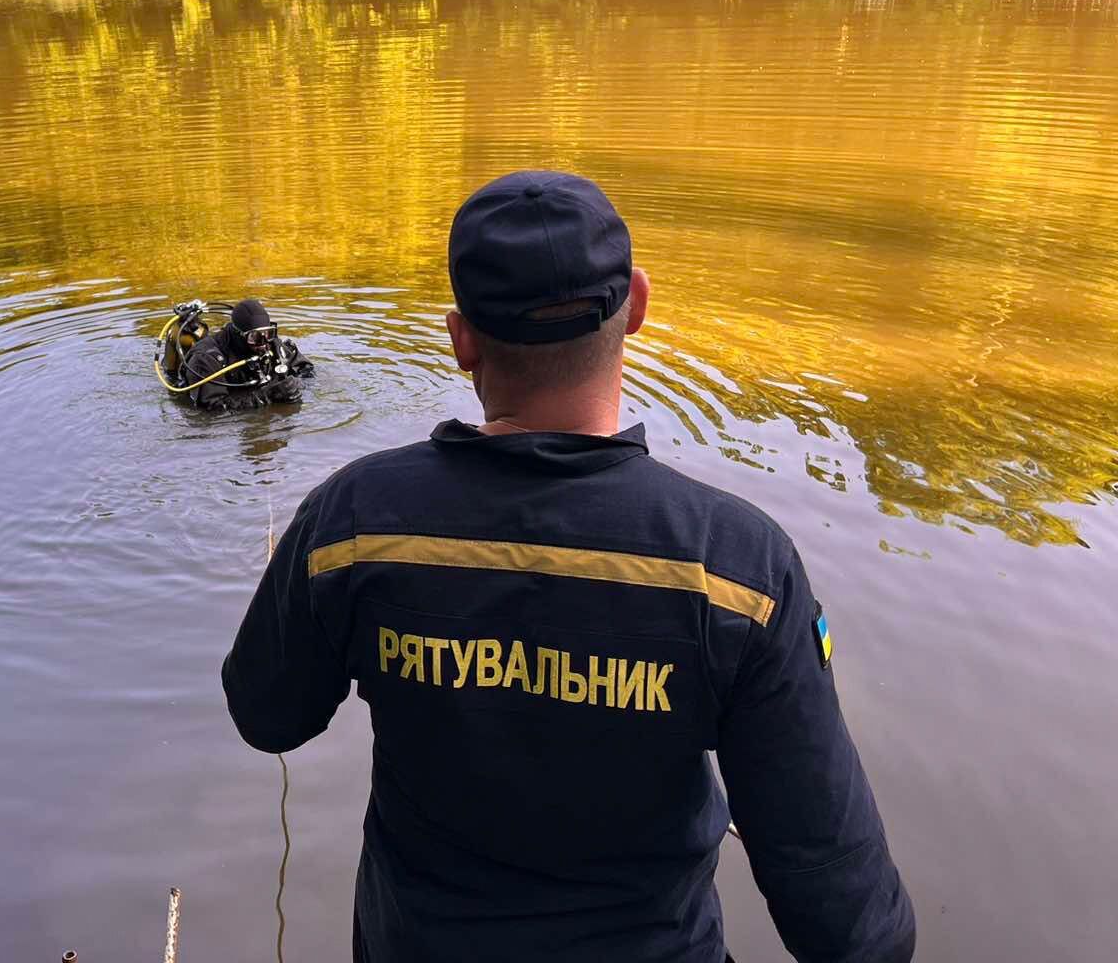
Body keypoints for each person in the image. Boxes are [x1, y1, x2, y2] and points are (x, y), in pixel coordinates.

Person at [221, 171, 916, 963]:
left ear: (462, 340)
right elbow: (848, 920)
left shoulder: (352, 525)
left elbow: (267, 715)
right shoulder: (739, 571)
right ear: (640, 307)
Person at [182, 298, 314, 411]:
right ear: (238, 334)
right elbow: (212, 408)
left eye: (268, 333)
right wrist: (267, 396)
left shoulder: (271, 344)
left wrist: (297, 384)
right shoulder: (206, 359)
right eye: (254, 337)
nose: (263, 343)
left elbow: (305, 369)